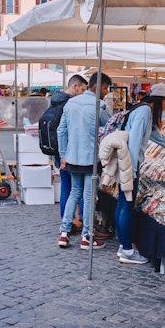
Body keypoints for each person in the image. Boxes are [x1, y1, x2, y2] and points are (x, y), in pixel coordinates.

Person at [117, 83, 165, 264]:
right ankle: (126, 249)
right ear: (161, 99)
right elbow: (134, 142)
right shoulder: (144, 113)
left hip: (126, 164)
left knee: (122, 203)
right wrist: (133, 170)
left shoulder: (143, 111)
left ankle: (123, 245)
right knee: (126, 205)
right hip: (128, 165)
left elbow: (159, 139)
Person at [57, 72, 112, 250]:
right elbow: (110, 129)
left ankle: (64, 233)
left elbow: (61, 131)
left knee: (75, 193)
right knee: (88, 197)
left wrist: (63, 154)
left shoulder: (70, 103)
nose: (106, 92)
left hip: (73, 157)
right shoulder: (100, 106)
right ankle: (86, 236)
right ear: (96, 87)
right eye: (105, 88)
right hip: (90, 158)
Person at [48, 75, 90, 238]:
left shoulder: (55, 100)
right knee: (77, 189)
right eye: (82, 90)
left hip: (61, 151)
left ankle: (67, 223)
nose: (83, 93)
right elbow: (65, 130)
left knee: (68, 187)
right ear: (74, 86)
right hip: (70, 153)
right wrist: (65, 154)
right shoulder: (70, 103)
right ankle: (76, 224)